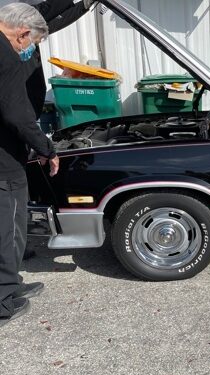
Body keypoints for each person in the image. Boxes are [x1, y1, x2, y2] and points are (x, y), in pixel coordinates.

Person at [0, 2, 59, 326]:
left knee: (11, 226)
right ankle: (3, 302)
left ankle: (12, 282)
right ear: (22, 34)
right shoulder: (6, 56)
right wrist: (46, 148)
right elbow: (16, 114)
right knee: (7, 229)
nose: (29, 52)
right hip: (3, 162)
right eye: (32, 45)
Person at [20, 0, 93, 261]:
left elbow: (53, 22)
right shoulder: (13, 41)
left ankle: (17, 243)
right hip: (18, 121)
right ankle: (12, 249)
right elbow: (45, 12)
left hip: (26, 117)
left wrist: (83, 6)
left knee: (20, 184)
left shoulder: (26, 38)